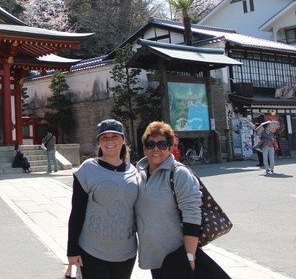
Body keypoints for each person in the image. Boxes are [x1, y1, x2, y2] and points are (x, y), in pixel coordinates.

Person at [135, 121, 228, 278]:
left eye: (162, 144)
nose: (156, 149)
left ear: (170, 148)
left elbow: (192, 216)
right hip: (155, 257)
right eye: (150, 144)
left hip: (178, 255)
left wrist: (190, 256)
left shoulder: (179, 173)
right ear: (144, 148)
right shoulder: (139, 174)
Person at [66, 119, 139, 279]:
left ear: (123, 140)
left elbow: (138, 213)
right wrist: (72, 250)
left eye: (115, 136)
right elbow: (77, 211)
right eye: (104, 137)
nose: (110, 141)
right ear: (99, 142)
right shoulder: (88, 169)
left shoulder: (134, 173)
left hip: (126, 252)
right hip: (92, 250)